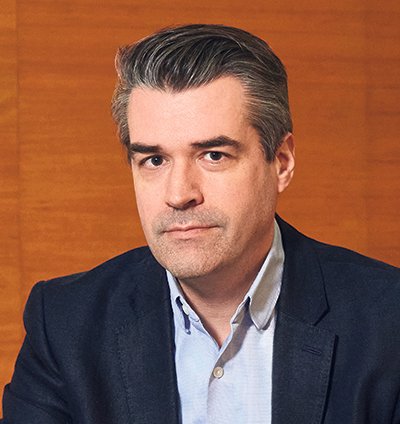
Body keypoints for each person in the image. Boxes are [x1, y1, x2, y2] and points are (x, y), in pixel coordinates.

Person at [1, 24, 399, 424]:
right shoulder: (65, 325)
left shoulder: (388, 321)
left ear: (281, 162)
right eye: (154, 160)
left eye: (213, 155)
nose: (179, 194)